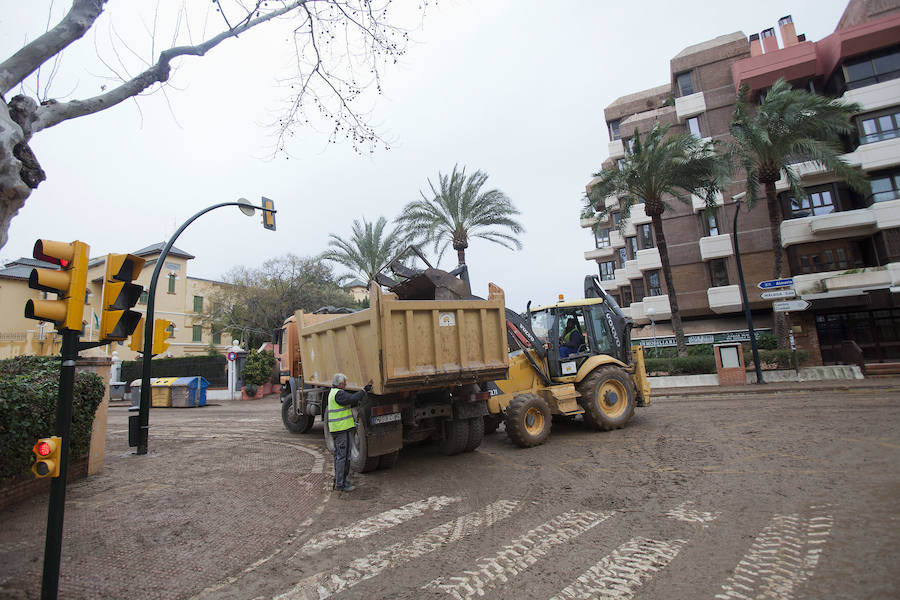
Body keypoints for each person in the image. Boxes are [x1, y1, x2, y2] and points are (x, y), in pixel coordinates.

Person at [328, 373, 371, 492]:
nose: (346, 384)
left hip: (341, 429)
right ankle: (341, 484)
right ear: (340, 384)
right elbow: (351, 399)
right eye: (345, 383)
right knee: (343, 457)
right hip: (340, 429)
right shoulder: (339, 394)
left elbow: (350, 402)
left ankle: (341, 481)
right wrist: (363, 391)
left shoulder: (334, 393)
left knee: (342, 456)